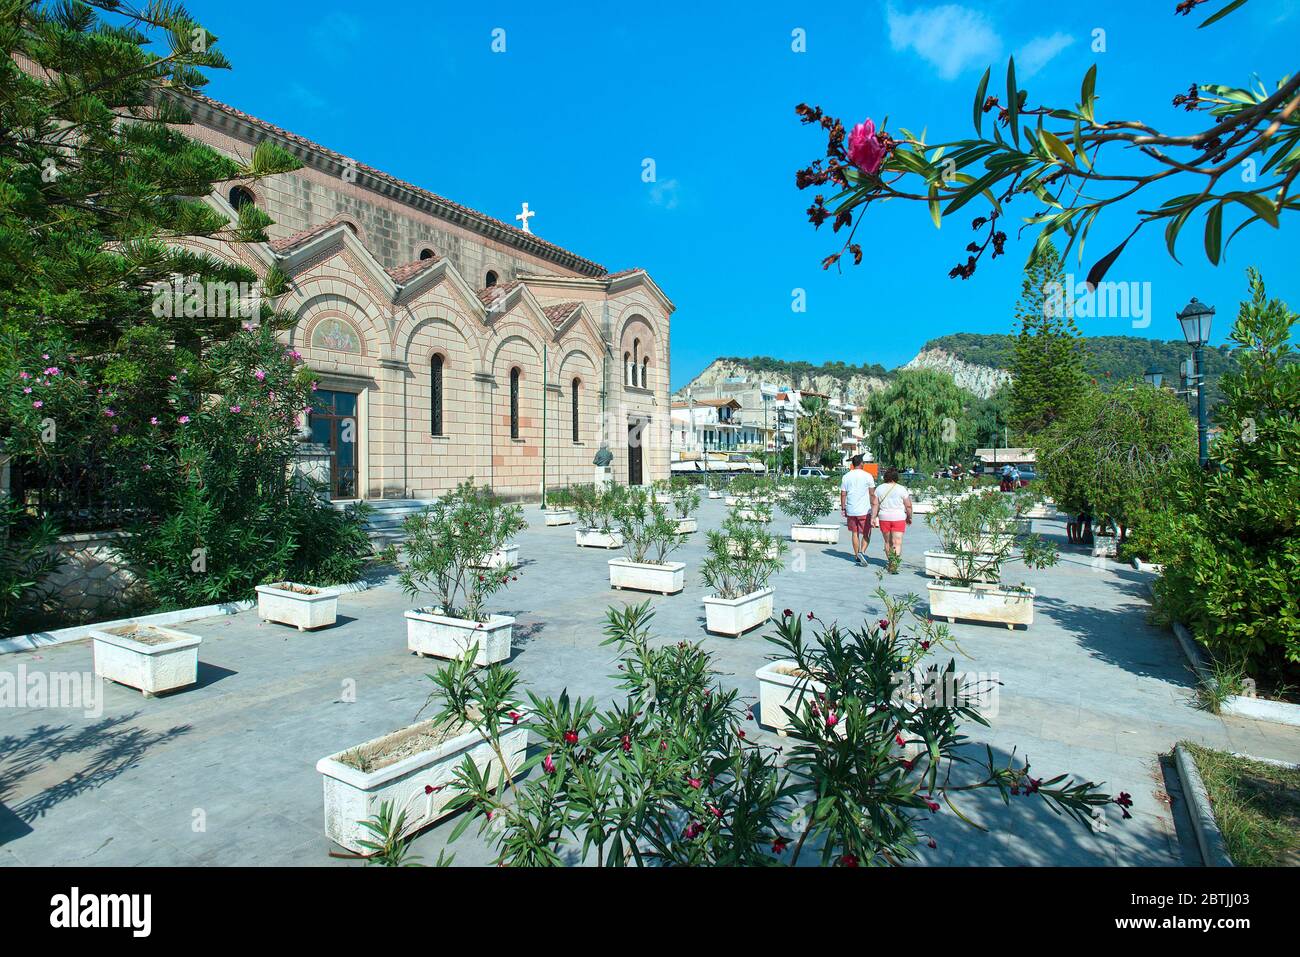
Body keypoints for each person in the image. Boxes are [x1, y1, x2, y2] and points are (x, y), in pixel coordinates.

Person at [872, 467, 913, 573]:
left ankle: (890, 562)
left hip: (884, 517)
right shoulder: (901, 489)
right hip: (898, 517)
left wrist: (873, 517)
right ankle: (894, 564)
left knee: (887, 542)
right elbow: (908, 506)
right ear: (896, 477)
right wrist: (909, 517)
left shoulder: (879, 488)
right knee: (897, 543)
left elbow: (875, 504)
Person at [839, 454, 875, 566]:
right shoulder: (868, 476)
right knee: (866, 533)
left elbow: (843, 494)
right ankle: (862, 552)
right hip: (864, 510)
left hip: (851, 509)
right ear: (861, 463)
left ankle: (856, 556)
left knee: (855, 533)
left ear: (852, 464)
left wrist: (843, 507)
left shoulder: (846, 476)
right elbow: (872, 494)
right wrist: (875, 507)